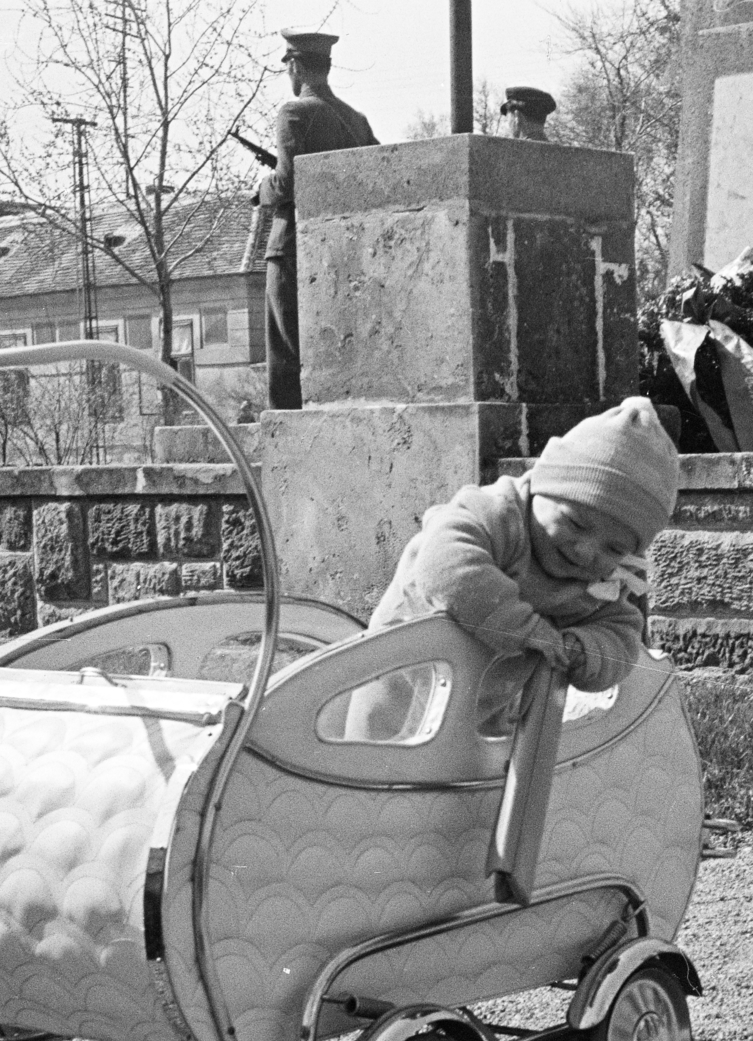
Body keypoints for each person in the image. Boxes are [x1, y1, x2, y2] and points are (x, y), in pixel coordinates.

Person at [358, 398, 679, 737]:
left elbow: (622, 633)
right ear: (543, 486)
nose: (587, 552)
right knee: (367, 774)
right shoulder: (496, 515)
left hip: (484, 710)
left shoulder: (599, 580)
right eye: (575, 524)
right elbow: (444, 566)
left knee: (471, 780)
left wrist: (587, 650)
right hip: (399, 676)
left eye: (614, 548)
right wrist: (525, 630)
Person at [257, 27, 378, 410]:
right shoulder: (356, 120)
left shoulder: (293, 112)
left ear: (294, 65)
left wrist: (262, 189)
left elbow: (287, 182)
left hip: (292, 246)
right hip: (344, 252)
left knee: (286, 355)